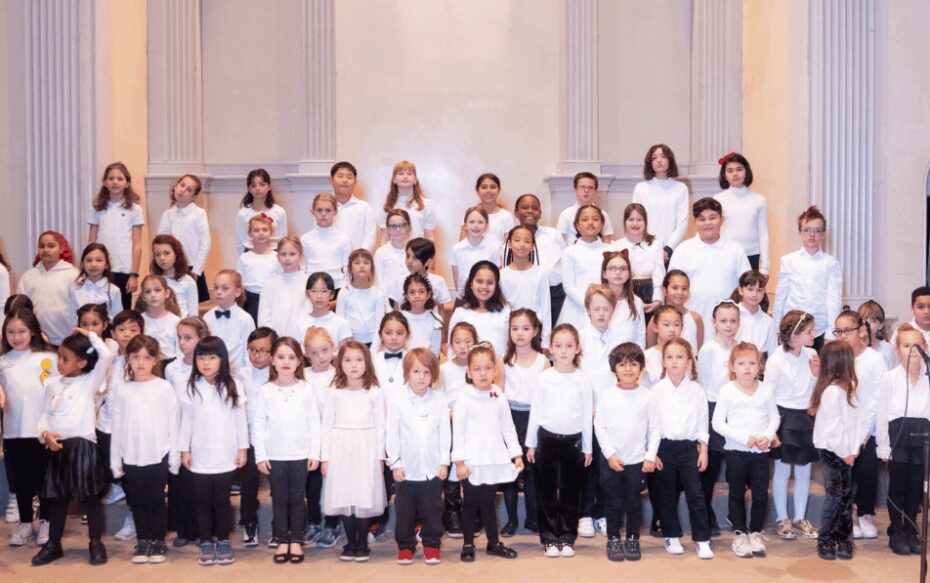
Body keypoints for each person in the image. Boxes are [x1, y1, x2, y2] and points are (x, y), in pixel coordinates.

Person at [31, 329, 114, 566]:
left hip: (83, 447)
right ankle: (53, 544)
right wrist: (45, 435)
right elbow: (44, 416)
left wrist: (90, 334)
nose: (60, 362)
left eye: (66, 359)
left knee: (91, 499)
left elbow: (106, 356)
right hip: (58, 448)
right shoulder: (52, 383)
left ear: (82, 362)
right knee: (57, 499)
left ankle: (95, 542)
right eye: (59, 357)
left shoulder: (89, 382)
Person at [178, 337, 250, 566]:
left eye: (212, 357)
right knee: (202, 500)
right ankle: (206, 540)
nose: (206, 363)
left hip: (224, 453)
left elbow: (240, 419)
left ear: (223, 359)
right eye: (201, 357)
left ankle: (223, 539)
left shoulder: (234, 385)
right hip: (199, 454)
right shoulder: (191, 386)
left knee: (221, 500)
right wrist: (184, 449)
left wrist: (242, 448)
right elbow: (186, 421)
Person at [109, 334, 180, 564]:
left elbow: (173, 423)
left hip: (157, 453)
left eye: (147, 358)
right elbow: (117, 426)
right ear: (128, 358)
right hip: (131, 454)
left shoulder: (163, 388)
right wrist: (115, 459)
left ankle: (158, 540)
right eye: (136, 357)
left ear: (155, 359)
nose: (141, 362)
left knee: (156, 499)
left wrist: (174, 457)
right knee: (137, 501)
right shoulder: (122, 390)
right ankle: (143, 540)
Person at [527, 324, 594, 558]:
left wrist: (587, 447)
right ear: (551, 349)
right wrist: (531, 443)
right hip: (546, 439)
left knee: (570, 493)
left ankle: (567, 537)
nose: (563, 351)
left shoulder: (583, 380)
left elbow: (587, 415)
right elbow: (535, 411)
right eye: (558, 345)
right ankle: (548, 538)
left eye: (569, 345)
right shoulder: (544, 378)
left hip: (574, 442)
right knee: (546, 492)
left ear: (578, 348)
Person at [254, 337, 321, 564]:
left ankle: (297, 540)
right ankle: (283, 538)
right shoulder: (266, 391)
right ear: (272, 360)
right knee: (280, 498)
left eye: (291, 357)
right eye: (281, 357)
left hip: (300, 454)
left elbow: (314, 423)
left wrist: (314, 453)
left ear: (299, 361)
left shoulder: (306, 389)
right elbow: (259, 424)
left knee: (297, 497)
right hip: (276, 455)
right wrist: (261, 455)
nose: (286, 362)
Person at [453, 342, 522, 562]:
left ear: (494, 370)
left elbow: (508, 427)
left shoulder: (498, 395)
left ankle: (493, 542)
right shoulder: (464, 397)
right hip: (472, 459)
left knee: (489, 502)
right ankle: (468, 543)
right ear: (469, 372)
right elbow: (459, 431)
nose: (483, 373)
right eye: (477, 369)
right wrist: (460, 462)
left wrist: (516, 454)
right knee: (471, 502)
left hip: (493, 456)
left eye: (487, 368)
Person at [711, 342, 779, 559]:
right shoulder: (727, 391)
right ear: (732, 367)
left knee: (760, 494)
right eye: (741, 363)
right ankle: (739, 533)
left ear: (760, 366)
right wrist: (743, 438)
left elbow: (775, 417)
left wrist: (767, 437)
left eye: (752, 363)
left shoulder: (766, 390)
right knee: (737, 493)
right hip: (736, 451)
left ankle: (756, 532)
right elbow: (717, 422)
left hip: (760, 452)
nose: (747, 368)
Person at [320, 341, 387, 563]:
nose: (354, 365)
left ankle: (362, 543)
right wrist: (325, 457)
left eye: (358, 360)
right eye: (348, 360)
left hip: (365, 446)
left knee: (362, 493)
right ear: (340, 363)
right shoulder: (334, 391)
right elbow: (327, 424)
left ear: (367, 362)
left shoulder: (374, 392)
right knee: (345, 494)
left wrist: (379, 456)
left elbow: (381, 425)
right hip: (340, 447)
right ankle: (350, 542)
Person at [595, 342, 659, 562]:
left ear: (641, 368)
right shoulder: (606, 395)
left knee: (633, 502)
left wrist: (650, 456)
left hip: (637, 461)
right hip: (612, 460)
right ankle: (613, 538)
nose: (628, 369)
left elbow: (655, 428)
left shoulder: (648, 396)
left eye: (633, 364)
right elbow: (599, 426)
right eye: (622, 364)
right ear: (615, 369)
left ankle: (633, 538)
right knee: (613, 501)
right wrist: (610, 454)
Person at [386, 348, 450, 566]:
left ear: (433, 374)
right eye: (416, 371)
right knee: (405, 511)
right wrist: (395, 462)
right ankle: (405, 546)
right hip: (406, 468)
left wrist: (443, 462)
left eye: (426, 372)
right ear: (407, 373)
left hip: (432, 467)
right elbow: (392, 433)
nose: (421, 377)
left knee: (433, 508)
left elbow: (445, 434)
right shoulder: (397, 399)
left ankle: (431, 543)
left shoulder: (440, 400)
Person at [651, 338, 714, 559]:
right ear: (664, 362)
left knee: (696, 495)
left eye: (680, 357)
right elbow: (652, 424)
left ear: (689, 362)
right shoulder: (656, 391)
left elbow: (702, 423)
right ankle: (671, 535)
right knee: (666, 494)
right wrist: (654, 452)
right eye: (670, 357)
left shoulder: (696, 391)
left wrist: (703, 449)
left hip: (689, 449)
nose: (675, 362)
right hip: (665, 447)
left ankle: (702, 538)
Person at [1, 308, 57, 547]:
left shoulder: (49, 358)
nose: (16, 336)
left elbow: (58, 391)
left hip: (43, 431)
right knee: (22, 481)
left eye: (21, 331)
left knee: (44, 480)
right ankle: (25, 524)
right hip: (14, 431)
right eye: (11, 332)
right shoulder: (3, 361)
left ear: (33, 331)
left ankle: (46, 522)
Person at [833, 309, 887, 540]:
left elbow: (878, 398)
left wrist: (865, 432)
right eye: (839, 331)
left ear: (861, 330)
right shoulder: (835, 357)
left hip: (869, 428)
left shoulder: (874, 358)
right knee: (844, 474)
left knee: (866, 472)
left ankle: (865, 513)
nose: (843, 335)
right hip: (843, 427)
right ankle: (847, 515)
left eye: (848, 330)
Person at [811, 342, 867, 561]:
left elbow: (859, 420)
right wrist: (845, 452)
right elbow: (834, 429)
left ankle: (844, 538)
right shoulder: (832, 391)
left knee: (846, 497)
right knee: (835, 497)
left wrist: (854, 448)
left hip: (848, 451)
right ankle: (825, 539)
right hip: (833, 451)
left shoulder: (851, 385)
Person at [876, 324, 930, 556]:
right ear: (897, 351)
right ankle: (896, 529)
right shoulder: (891, 378)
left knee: (916, 486)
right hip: (898, 435)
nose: (913, 350)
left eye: (918, 345)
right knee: (897, 485)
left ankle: (911, 528)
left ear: (926, 348)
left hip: (923, 436)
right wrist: (882, 445)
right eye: (907, 346)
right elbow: (882, 413)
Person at [768, 310, 820, 540]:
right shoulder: (776, 359)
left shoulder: (812, 354)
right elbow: (768, 396)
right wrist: (771, 429)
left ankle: (800, 517)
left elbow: (815, 388)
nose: (814, 334)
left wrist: (816, 374)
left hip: (806, 415)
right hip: (783, 416)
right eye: (809, 331)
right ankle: (782, 518)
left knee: (804, 470)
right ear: (795, 335)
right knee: (781, 471)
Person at [668, 197, 750, 338]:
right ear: (695, 222)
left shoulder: (736, 250)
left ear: (721, 220)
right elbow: (670, 290)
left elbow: (746, 288)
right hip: (689, 324)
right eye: (702, 219)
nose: (707, 223)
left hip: (727, 327)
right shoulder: (683, 250)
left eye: (712, 218)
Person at [163, 316, 210, 547]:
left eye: (188, 338)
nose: (182, 343)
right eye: (179, 338)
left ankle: (204, 531)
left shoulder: (210, 365)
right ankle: (184, 529)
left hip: (204, 429)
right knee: (180, 482)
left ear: (201, 338)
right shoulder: (172, 368)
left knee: (202, 483)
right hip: (180, 429)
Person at [500, 309, 548, 536]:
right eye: (515, 328)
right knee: (511, 470)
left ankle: (533, 518)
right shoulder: (505, 361)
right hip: (510, 417)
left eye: (526, 328)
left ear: (535, 331)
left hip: (534, 418)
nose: (520, 334)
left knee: (532, 471)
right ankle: (511, 520)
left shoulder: (542, 361)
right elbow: (498, 394)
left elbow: (548, 396)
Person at [697, 300, 741, 535]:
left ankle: (736, 514)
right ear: (714, 322)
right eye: (723, 321)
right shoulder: (708, 349)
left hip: (738, 412)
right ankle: (705, 513)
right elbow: (703, 384)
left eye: (733, 321)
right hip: (714, 408)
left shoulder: (742, 348)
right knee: (711, 467)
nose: (728, 325)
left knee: (736, 466)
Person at [773, 206, 843, 351]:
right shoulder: (788, 261)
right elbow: (781, 296)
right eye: (807, 230)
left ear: (823, 234)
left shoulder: (831, 263)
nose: (812, 235)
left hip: (820, 329)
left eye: (817, 230)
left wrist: (831, 331)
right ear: (800, 231)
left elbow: (833, 299)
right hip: (793, 329)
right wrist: (777, 326)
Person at [302, 327, 341, 549]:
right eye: (314, 353)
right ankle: (314, 521)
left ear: (333, 349)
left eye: (325, 350)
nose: (321, 357)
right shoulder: (303, 376)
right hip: (310, 439)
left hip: (333, 437)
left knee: (332, 483)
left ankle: (332, 524)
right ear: (306, 353)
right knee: (312, 484)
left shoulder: (338, 375)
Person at [238, 326, 277, 547]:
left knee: (278, 486)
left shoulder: (279, 374)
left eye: (263, 350)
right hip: (250, 438)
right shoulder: (240, 375)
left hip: (275, 440)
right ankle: (249, 522)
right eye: (253, 350)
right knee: (248, 483)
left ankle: (279, 525)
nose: (258, 355)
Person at [439, 321, 478, 537]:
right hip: (452, 421)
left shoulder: (478, 366)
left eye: (468, 342)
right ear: (450, 344)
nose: (463, 347)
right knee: (455, 464)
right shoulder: (445, 369)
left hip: (475, 423)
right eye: (458, 342)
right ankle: (452, 511)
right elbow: (439, 396)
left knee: (473, 464)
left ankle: (473, 511)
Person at [87, 162, 144, 308]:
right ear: (105, 182)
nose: (115, 182)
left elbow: (137, 244)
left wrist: (134, 274)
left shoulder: (135, 209)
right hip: (101, 268)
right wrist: (88, 268)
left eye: (120, 179)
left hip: (124, 268)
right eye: (111, 178)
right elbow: (91, 242)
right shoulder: (98, 208)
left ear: (127, 183)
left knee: (122, 310)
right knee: (100, 309)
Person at [16, 231, 79, 345]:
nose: (45, 250)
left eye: (51, 246)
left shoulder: (73, 275)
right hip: (36, 341)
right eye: (41, 246)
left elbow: (80, 308)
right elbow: (20, 309)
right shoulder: (28, 276)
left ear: (61, 249)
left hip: (66, 341)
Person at [513, 193, 567, 326]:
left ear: (540, 213)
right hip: (527, 292)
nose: (530, 211)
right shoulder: (511, 238)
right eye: (525, 207)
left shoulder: (553, 234)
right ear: (516, 212)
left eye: (535, 208)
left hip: (555, 292)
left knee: (555, 332)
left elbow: (565, 260)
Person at [157, 174, 211, 303]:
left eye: (189, 190)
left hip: (191, 267)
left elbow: (205, 244)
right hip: (171, 267)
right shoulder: (168, 214)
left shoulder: (199, 214)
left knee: (192, 305)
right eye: (182, 185)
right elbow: (160, 241)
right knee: (171, 303)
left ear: (193, 197)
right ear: (176, 186)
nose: (183, 190)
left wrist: (196, 271)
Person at [713, 152, 770, 273]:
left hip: (752, 254)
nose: (735, 174)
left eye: (739, 169)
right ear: (724, 175)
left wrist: (765, 266)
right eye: (730, 170)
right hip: (726, 254)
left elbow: (763, 233)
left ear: (746, 171)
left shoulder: (759, 200)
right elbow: (714, 231)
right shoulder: (718, 199)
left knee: (750, 291)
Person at [631, 145, 689, 262]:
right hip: (646, 249)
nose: (659, 160)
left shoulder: (680, 188)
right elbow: (636, 221)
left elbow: (682, 223)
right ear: (650, 162)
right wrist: (650, 248)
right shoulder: (641, 188)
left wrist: (668, 248)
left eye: (663, 156)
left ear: (670, 160)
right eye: (654, 157)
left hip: (672, 251)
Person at [558, 205, 610, 329]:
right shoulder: (570, 252)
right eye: (585, 219)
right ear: (577, 225)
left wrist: (601, 305)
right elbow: (568, 286)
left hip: (605, 306)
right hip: (577, 308)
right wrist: (589, 307)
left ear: (602, 224)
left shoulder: (610, 250)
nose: (590, 223)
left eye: (595, 219)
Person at [501, 225, 552, 347]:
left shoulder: (541, 273)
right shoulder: (502, 274)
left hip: (534, 332)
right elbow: (502, 308)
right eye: (517, 240)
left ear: (533, 246)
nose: (522, 245)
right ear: (509, 243)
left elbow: (546, 307)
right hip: (511, 331)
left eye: (527, 241)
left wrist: (546, 340)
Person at [612, 203, 665, 317]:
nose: (635, 223)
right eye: (631, 219)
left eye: (639, 219)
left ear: (645, 222)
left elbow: (658, 272)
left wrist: (657, 298)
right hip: (626, 291)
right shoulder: (616, 245)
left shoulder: (656, 243)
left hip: (650, 291)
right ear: (625, 222)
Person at [448, 261, 511, 357]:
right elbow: (451, 350)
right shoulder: (460, 313)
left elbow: (511, 346)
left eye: (490, 282)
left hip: (500, 369)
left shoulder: (506, 311)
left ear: (496, 286)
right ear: (471, 283)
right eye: (479, 281)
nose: (484, 286)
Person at [203, 269, 255, 372]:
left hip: (237, 374)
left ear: (237, 292)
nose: (218, 292)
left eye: (225, 288)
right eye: (216, 287)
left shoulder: (245, 319)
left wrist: (246, 375)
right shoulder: (207, 317)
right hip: (213, 374)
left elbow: (248, 351)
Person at [336, 249, 390, 345]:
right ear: (350, 268)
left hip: (372, 343)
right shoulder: (344, 293)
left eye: (366, 263)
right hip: (350, 343)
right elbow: (339, 324)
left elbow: (379, 326)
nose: (362, 266)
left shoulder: (377, 294)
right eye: (357, 263)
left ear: (372, 268)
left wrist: (373, 350)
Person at [300, 193, 351, 293]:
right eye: (319, 210)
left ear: (335, 212)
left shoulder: (343, 239)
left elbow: (347, 269)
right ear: (312, 212)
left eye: (328, 210)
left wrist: (344, 290)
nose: (323, 214)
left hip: (337, 288)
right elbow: (302, 268)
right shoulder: (305, 239)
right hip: (312, 289)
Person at [258, 236, 308, 335]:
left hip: (301, 339)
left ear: (301, 256)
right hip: (275, 340)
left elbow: (310, 313)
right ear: (277, 257)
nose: (287, 258)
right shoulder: (270, 284)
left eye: (292, 254)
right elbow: (263, 317)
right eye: (283, 254)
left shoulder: (308, 281)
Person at [289, 272, 352, 346]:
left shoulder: (342, 324)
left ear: (332, 294)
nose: (319, 296)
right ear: (307, 294)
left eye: (324, 291)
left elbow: (344, 354)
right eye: (314, 291)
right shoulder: (299, 326)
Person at [236, 214, 280, 324]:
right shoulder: (244, 258)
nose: (261, 233)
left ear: (271, 232)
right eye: (256, 230)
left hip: (271, 299)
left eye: (265, 230)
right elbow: (239, 282)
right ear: (250, 234)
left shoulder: (277, 257)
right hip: (250, 300)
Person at [325, 161, 377, 252]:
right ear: (331, 180)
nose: (345, 180)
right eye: (340, 176)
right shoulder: (325, 208)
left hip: (357, 261)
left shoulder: (364, 207)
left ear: (355, 182)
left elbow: (370, 236)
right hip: (330, 260)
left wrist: (358, 257)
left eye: (349, 177)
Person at [647, 270, 703, 352]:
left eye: (684, 288)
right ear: (664, 290)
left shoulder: (695, 318)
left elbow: (698, 351)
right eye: (675, 288)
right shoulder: (656, 319)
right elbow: (650, 350)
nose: (680, 292)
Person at [379, 160, 436, 241]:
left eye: (409, 174)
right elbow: (384, 237)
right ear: (394, 180)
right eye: (401, 173)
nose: (405, 176)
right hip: (394, 252)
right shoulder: (387, 206)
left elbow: (429, 236)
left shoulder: (426, 205)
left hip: (418, 252)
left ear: (415, 180)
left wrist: (430, 253)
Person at [235, 168, 288, 254]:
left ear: (269, 187)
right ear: (249, 188)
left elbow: (283, 241)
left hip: (274, 254)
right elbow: (240, 243)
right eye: (253, 185)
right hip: (250, 253)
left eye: (262, 184)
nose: (258, 188)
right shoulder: (243, 214)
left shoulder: (279, 212)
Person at [451, 207, 500, 296]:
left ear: (486, 226)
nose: (476, 225)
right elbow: (456, 276)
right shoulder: (457, 249)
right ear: (465, 225)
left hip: (486, 295)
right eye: (472, 222)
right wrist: (460, 294)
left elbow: (497, 274)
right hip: (464, 296)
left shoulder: (494, 248)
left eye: (480, 222)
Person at [68, 243, 123, 321]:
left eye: (99, 260)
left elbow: (117, 320)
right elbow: (72, 319)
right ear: (83, 264)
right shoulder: (75, 289)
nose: (93, 264)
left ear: (106, 264)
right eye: (89, 260)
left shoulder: (114, 290)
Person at [557, 172, 615, 243]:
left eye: (590, 187)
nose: (586, 190)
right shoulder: (566, 214)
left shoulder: (603, 214)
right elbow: (560, 241)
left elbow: (607, 240)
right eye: (583, 187)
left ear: (595, 191)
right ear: (575, 190)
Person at [150, 234, 200, 318]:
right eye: (157, 254)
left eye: (166, 253)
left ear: (176, 254)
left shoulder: (188, 281)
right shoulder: (153, 281)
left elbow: (194, 314)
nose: (162, 258)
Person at [135, 275, 182, 361]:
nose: (153, 295)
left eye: (157, 290)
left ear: (167, 293)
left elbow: (181, 353)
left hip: (171, 366)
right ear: (143, 297)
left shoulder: (176, 321)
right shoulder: (139, 320)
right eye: (148, 291)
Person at [733, 270, 776, 358]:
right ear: (740, 290)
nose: (754, 294)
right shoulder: (731, 316)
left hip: (759, 367)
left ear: (764, 292)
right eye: (750, 289)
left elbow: (773, 354)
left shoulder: (768, 322)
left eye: (759, 290)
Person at [375, 209, 413, 305]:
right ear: (388, 229)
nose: (398, 230)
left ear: (409, 227)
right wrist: (386, 306)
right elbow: (379, 282)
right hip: (388, 303)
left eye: (402, 225)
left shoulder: (416, 251)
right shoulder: (381, 253)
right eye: (393, 226)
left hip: (412, 302)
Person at [399, 273, 443, 356]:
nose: (417, 296)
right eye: (412, 292)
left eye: (421, 291)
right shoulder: (399, 318)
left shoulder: (436, 320)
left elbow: (435, 353)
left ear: (428, 295)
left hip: (426, 364)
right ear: (406, 296)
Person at [465, 173, 515, 243]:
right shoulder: (470, 215)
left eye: (493, 187)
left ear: (499, 190)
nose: (488, 191)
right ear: (477, 190)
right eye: (484, 187)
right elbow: (463, 244)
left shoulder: (506, 216)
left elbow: (509, 246)